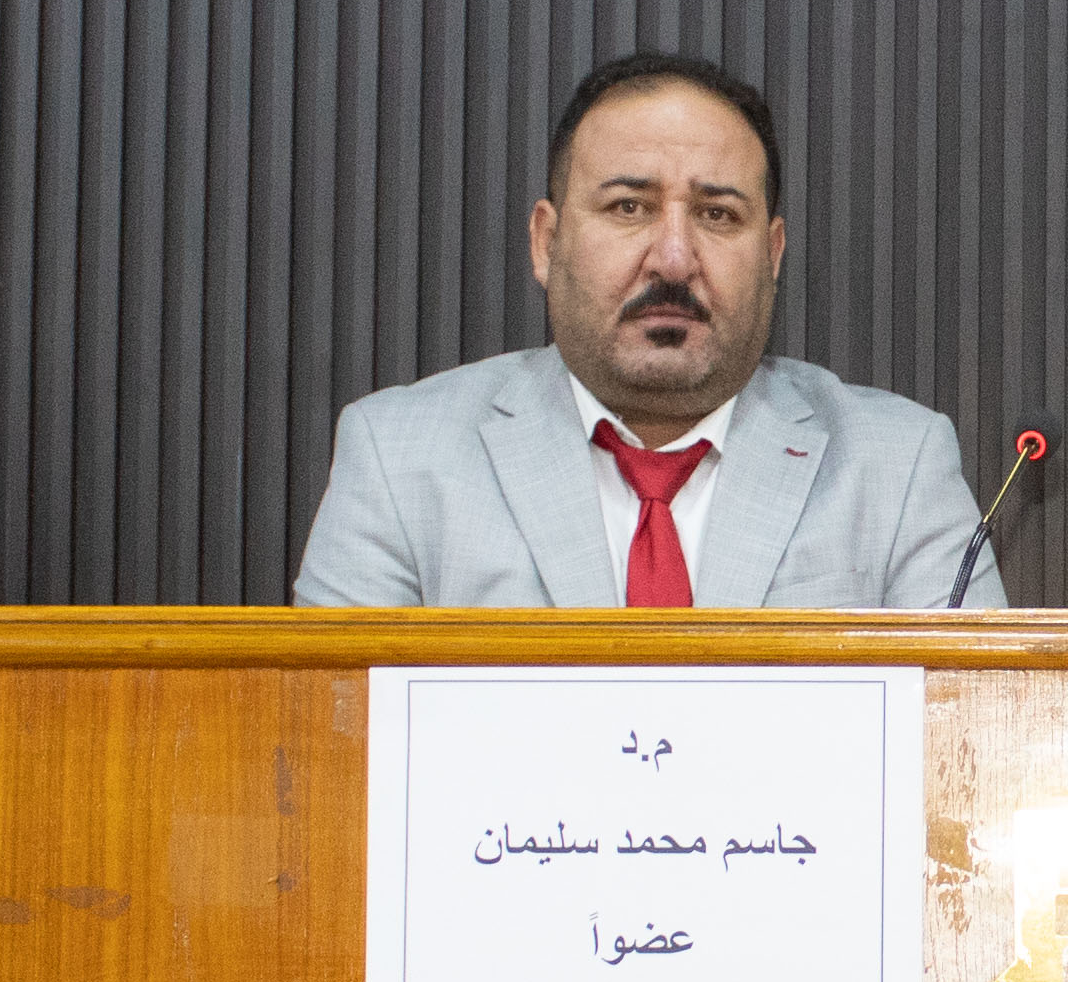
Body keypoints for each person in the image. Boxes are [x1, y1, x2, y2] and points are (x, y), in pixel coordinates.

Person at [293, 50, 1002, 609]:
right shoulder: (398, 460)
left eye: (718, 214)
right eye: (628, 207)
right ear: (546, 243)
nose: (673, 258)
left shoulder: (897, 468)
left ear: (772, 255)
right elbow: (332, 736)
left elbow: (966, 736)